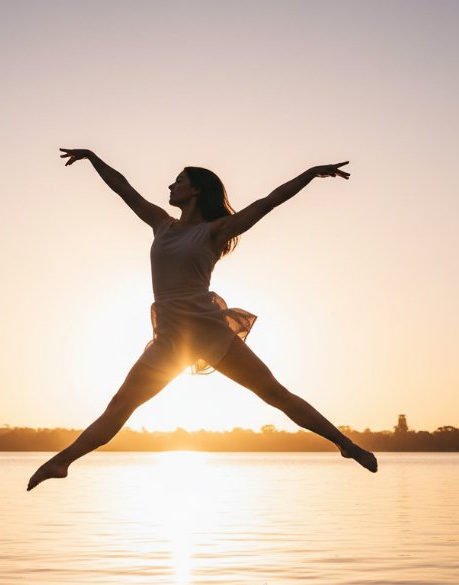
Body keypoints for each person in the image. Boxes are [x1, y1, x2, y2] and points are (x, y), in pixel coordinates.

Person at [27, 148, 377, 491]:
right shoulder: (160, 224)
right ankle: (62, 462)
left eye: (178, 180)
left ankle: (346, 444)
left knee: (275, 394)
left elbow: (268, 202)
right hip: (170, 337)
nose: (170, 186)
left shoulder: (214, 231)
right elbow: (123, 188)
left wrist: (310, 173)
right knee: (121, 405)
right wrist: (92, 157)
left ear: (194, 190)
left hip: (207, 330)